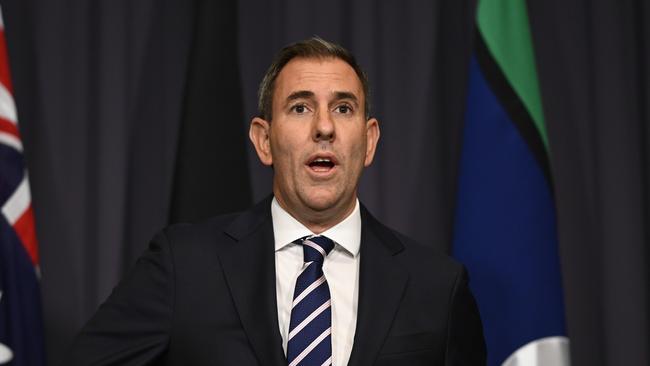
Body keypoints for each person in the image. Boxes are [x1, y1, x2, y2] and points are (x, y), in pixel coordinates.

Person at [63, 37, 486, 365]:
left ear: (369, 141)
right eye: (300, 108)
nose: (324, 127)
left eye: (343, 108)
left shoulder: (437, 286)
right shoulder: (184, 266)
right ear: (264, 141)